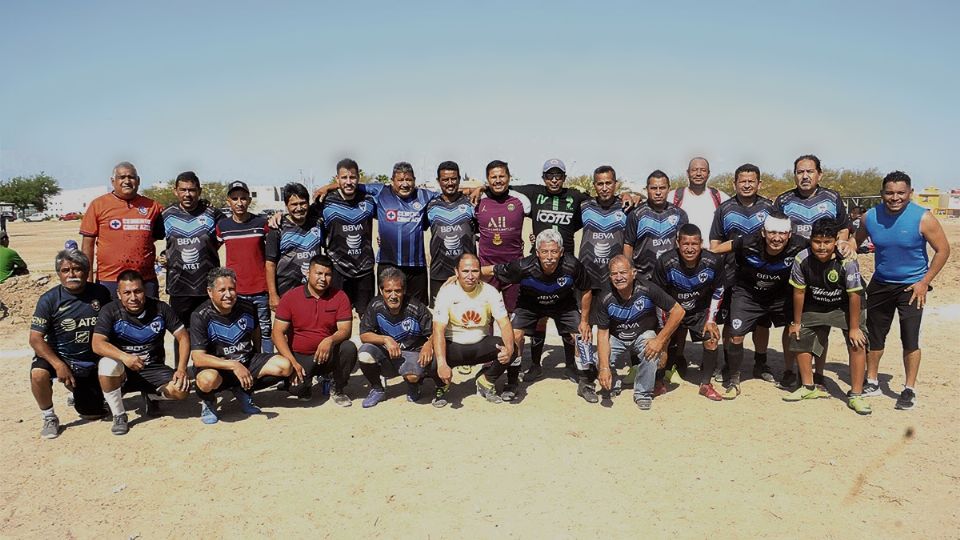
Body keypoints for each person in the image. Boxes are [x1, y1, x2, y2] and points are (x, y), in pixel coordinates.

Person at [856, 171, 950, 410]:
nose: (894, 197)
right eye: (889, 192)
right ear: (882, 194)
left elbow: (943, 250)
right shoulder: (870, 217)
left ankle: (909, 389)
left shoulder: (923, 218)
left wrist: (924, 281)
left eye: (900, 193)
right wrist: (845, 243)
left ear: (910, 193)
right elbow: (855, 242)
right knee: (875, 335)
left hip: (912, 287)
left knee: (910, 337)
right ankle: (873, 381)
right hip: (880, 284)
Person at [484, 229, 594, 402]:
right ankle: (512, 382)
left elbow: (587, 289)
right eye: (544, 252)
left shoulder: (572, 265)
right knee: (514, 337)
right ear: (537, 252)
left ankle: (585, 382)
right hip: (530, 305)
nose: (549, 256)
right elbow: (493, 270)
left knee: (583, 337)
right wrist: (461, 274)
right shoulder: (523, 266)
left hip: (563, 305)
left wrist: (585, 321)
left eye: (554, 251)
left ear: (561, 252)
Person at [713, 212, 808, 398]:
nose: (777, 238)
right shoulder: (748, 242)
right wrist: (706, 255)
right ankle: (734, 379)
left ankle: (788, 372)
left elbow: (823, 248)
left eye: (782, 234)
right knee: (736, 335)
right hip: (747, 294)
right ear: (763, 233)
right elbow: (722, 248)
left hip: (780, 295)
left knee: (792, 330)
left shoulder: (800, 243)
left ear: (789, 235)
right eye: (772, 232)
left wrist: (844, 246)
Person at [787, 219, 871, 414]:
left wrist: (854, 327)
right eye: (817, 242)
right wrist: (797, 322)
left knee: (858, 342)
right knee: (798, 336)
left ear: (835, 241)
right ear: (810, 240)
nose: (822, 247)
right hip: (816, 303)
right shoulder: (802, 259)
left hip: (845, 306)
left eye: (827, 242)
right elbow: (799, 292)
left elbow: (854, 295)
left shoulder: (847, 260)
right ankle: (808, 387)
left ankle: (856, 395)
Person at [92, 270, 190, 435]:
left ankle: (152, 396)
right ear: (118, 294)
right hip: (122, 370)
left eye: (137, 291)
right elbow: (97, 344)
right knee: (107, 365)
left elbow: (183, 337)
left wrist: (181, 369)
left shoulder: (160, 308)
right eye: (127, 293)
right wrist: (124, 357)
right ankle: (119, 415)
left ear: (144, 290)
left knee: (182, 391)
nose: (133, 297)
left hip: (153, 367)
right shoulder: (110, 310)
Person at [28, 250, 113, 438]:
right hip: (61, 357)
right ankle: (49, 417)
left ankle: (83, 393)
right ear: (59, 273)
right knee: (38, 374)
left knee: (93, 413)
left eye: (77, 269)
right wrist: (59, 365)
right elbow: (35, 338)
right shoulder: (49, 299)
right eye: (66, 270)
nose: (72, 274)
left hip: (91, 360)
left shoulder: (100, 293)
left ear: (87, 271)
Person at [191, 267, 294, 423]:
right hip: (219, 368)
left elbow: (256, 331)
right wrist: (233, 365)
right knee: (207, 380)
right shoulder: (200, 315)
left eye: (232, 289)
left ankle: (243, 390)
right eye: (222, 290)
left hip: (246, 360)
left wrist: (258, 354)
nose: (228, 294)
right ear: (210, 292)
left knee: (285, 366)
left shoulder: (247, 306)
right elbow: (198, 358)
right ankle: (209, 401)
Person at [709, 163, 777, 383]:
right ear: (734, 183)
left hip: (763, 274)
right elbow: (715, 243)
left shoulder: (770, 208)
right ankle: (729, 363)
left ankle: (760, 362)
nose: (747, 185)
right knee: (730, 322)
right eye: (742, 181)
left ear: (759, 183)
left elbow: (779, 238)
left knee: (762, 323)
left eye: (751, 181)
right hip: (732, 274)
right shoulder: (724, 209)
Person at [595, 255, 685, 410]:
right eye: (614, 274)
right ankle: (612, 384)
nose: (619, 277)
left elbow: (678, 311)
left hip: (643, 335)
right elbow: (602, 334)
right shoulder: (604, 297)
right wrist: (603, 368)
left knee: (652, 349)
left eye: (623, 272)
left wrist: (660, 340)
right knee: (599, 356)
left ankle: (643, 393)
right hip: (617, 338)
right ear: (610, 277)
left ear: (633, 273)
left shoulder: (648, 289)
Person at [272, 255, 357, 406]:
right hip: (300, 355)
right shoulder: (291, 297)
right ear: (308, 273)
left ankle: (337, 388)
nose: (323, 279)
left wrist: (330, 340)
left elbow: (345, 330)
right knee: (298, 390)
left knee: (348, 348)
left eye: (328, 274)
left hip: (326, 353)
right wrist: (292, 362)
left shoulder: (340, 296)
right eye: (318, 273)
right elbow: (277, 333)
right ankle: (305, 382)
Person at [431, 253, 515, 406]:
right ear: (456, 272)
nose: (470, 276)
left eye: (475, 271)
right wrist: (442, 363)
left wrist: (508, 349)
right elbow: (438, 330)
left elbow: (504, 323)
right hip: (454, 346)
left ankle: (486, 381)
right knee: (431, 359)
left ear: (480, 272)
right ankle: (442, 385)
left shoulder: (490, 291)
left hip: (480, 344)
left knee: (512, 347)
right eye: (465, 271)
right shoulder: (446, 292)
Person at [654, 224, 726, 401]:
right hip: (672, 310)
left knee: (712, 338)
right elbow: (657, 295)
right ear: (677, 243)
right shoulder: (665, 261)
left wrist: (710, 320)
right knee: (662, 342)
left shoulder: (713, 261)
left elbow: (718, 291)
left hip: (698, 310)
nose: (690, 248)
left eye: (694, 244)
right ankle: (658, 382)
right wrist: (664, 326)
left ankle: (706, 384)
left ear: (701, 243)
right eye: (685, 244)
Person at [474, 160, 531, 376]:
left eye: (501, 176)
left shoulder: (521, 201)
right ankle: (487, 364)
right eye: (493, 177)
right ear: (487, 179)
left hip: (514, 271)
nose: (498, 180)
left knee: (514, 320)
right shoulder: (479, 200)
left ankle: (514, 367)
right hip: (487, 271)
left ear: (509, 177)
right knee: (486, 319)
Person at [162, 171, 223, 362]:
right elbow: (155, 240)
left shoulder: (213, 213)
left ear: (199, 191)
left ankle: (208, 371)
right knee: (181, 332)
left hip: (207, 285)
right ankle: (182, 372)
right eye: (183, 190)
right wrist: (163, 256)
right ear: (176, 191)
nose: (187, 194)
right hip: (179, 286)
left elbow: (225, 235)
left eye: (192, 190)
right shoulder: (166, 215)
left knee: (210, 330)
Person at [80, 161, 165, 298]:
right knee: (111, 318)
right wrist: (87, 281)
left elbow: (172, 222)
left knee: (149, 318)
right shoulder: (98, 205)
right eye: (122, 177)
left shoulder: (152, 206)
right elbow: (87, 245)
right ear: (113, 181)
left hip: (145, 279)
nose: (127, 181)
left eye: (131, 177)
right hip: (109, 280)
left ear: (138, 181)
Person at [359, 162, 438, 305]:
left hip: (416, 265)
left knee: (417, 308)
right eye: (400, 180)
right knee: (386, 306)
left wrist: (479, 188)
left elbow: (448, 192)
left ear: (414, 180)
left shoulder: (424, 195)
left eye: (408, 180)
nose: (405, 184)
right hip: (388, 263)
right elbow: (353, 186)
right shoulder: (381, 191)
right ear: (392, 181)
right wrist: (328, 187)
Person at [357, 267, 435, 407]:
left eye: (397, 291)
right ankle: (377, 389)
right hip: (387, 354)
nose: (393, 296)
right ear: (381, 291)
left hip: (411, 353)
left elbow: (436, 332)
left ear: (404, 290)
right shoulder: (375, 305)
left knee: (413, 375)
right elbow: (364, 334)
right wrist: (385, 339)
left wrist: (428, 345)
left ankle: (413, 384)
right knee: (364, 353)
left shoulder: (417, 307)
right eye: (388, 291)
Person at [312, 158, 378, 315]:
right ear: (337, 179)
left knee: (367, 317)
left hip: (365, 268)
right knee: (336, 317)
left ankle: (366, 341)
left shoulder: (369, 200)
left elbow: (390, 200)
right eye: (344, 178)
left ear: (358, 178)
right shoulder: (325, 201)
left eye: (352, 177)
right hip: (337, 269)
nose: (349, 182)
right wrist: (278, 217)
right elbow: (300, 216)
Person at [216, 180, 274, 352]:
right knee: (241, 332)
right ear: (228, 201)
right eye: (235, 198)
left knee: (265, 331)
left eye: (243, 198)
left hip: (261, 290)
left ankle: (269, 371)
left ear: (249, 200)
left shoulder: (262, 223)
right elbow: (209, 249)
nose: (239, 203)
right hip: (235, 291)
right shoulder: (223, 227)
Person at [265, 182, 323, 310]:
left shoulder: (317, 223)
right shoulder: (277, 228)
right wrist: (273, 295)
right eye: (294, 204)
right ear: (286, 206)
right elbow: (270, 264)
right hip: (287, 289)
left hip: (315, 288)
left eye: (303, 203)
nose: (299, 208)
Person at [425, 161, 476, 305]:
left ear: (459, 179)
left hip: (467, 272)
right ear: (438, 181)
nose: (450, 183)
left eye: (453, 179)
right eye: (445, 179)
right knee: (440, 318)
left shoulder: (470, 203)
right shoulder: (430, 205)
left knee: (468, 316)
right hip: (439, 272)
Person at [623, 170, 689, 280]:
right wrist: (629, 271)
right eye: (654, 188)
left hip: (670, 276)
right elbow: (628, 246)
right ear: (647, 189)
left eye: (662, 188)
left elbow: (682, 245)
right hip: (642, 277)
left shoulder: (679, 214)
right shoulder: (636, 214)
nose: (658, 192)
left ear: (668, 189)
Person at [668, 157, 729, 249]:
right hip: (682, 256)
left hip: (712, 255)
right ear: (687, 173)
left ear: (708, 174)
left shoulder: (721, 197)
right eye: (694, 170)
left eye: (703, 170)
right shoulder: (673, 197)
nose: (698, 174)